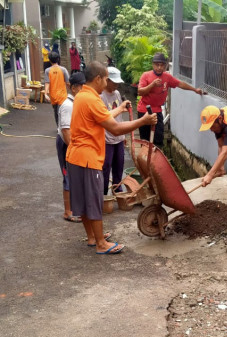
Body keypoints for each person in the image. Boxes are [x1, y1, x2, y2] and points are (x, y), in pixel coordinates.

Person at [66, 61, 158, 254]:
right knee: (93, 200)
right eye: (106, 78)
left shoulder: (84, 95)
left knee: (84, 200)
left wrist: (121, 109)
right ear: (98, 78)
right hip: (88, 158)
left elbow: (103, 116)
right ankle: (101, 244)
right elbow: (114, 127)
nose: (108, 82)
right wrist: (143, 120)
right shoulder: (91, 99)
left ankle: (93, 237)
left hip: (76, 156)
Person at [137, 52, 203, 147]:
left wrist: (195, 90)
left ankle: (156, 160)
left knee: (159, 139)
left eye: (162, 65)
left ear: (165, 66)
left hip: (157, 111)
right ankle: (144, 158)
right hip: (144, 110)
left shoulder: (167, 77)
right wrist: (152, 84)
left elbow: (180, 84)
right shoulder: (146, 75)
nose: (159, 67)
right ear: (153, 65)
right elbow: (140, 92)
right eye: (157, 65)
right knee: (145, 140)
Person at [56, 72, 86, 223]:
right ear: (74, 88)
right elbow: (66, 131)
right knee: (67, 176)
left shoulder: (77, 102)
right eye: (82, 87)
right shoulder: (68, 105)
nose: (84, 89)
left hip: (73, 143)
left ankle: (74, 209)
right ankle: (68, 212)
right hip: (66, 144)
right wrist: (74, 149)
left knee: (74, 177)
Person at [101, 67, 125, 196]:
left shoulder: (116, 94)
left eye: (117, 83)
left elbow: (119, 115)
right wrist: (121, 108)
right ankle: (103, 195)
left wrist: (123, 134)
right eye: (114, 82)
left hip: (118, 138)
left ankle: (117, 191)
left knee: (119, 166)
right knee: (105, 168)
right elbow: (104, 116)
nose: (116, 85)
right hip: (106, 139)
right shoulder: (101, 96)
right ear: (107, 80)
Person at [44, 51, 69, 126]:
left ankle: (59, 127)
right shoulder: (63, 69)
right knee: (63, 112)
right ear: (58, 59)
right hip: (63, 96)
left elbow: (47, 83)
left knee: (56, 112)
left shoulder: (47, 71)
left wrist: (45, 93)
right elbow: (68, 82)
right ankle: (64, 127)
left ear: (49, 60)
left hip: (53, 96)